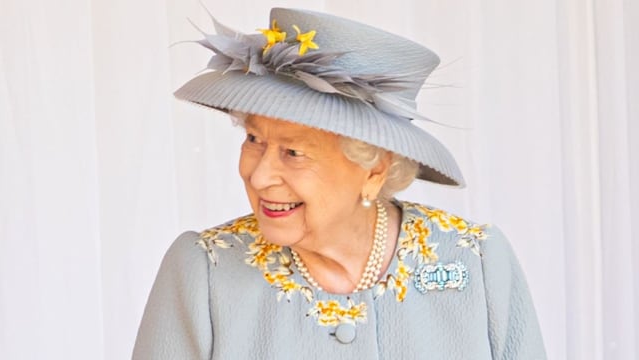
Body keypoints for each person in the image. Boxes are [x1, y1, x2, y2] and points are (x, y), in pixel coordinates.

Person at [132, 7, 546, 359]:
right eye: (254, 139)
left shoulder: (475, 263)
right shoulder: (204, 273)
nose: (258, 175)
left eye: (293, 152)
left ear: (375, 169)